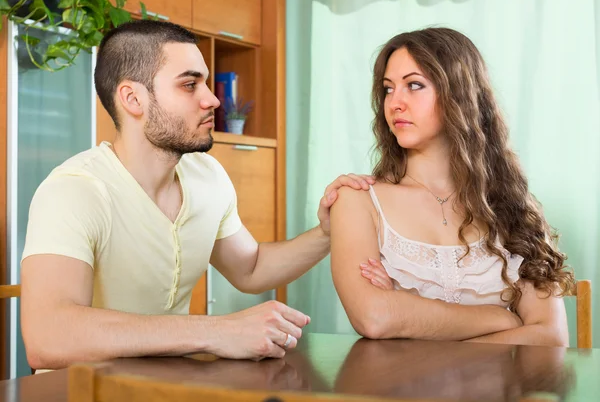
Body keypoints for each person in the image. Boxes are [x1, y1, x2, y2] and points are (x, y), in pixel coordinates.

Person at [20, 19, 374, 370]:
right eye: (190, 85)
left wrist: (327, 232)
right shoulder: (74, 190)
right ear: (132, 99)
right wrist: (216, 331)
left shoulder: (207, 176)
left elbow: (250, 268)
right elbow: (47, 336)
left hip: (167, 388)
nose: (213, 100)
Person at [330, 27, 575, 346]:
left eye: (414, 85)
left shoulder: (515, 206)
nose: (395, 103)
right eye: (388, 89)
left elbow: (551, 336)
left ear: (458, 95)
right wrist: (501, 319)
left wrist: (411, 320)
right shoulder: (356, 200)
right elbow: (374, 317)